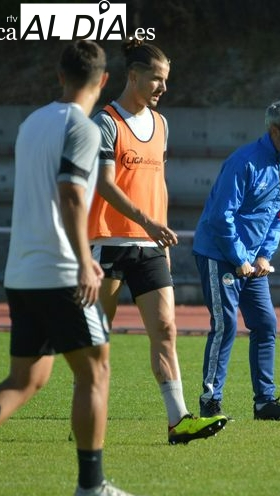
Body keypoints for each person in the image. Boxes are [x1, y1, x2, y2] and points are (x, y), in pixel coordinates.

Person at [0, 41, 151, 496]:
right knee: (97, 370)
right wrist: (84, 260)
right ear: (104, 79)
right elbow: (71, 195)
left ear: (59, 76)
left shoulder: (31, 123)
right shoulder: (85, 128)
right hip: (60, 272)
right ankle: (91, 484)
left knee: (26, 380)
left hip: (22, 272)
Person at [88, 39, 227, 444]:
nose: (164, 87)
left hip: (150, 245)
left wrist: (158, 232)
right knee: (98, 338)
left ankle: (178, 420)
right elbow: (105, 185)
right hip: (108, 242)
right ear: (134, 76)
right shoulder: (106, 123)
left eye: (166, 79)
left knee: (166, 328)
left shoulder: (162, 124)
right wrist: (148, 222)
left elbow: (157, 184)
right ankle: (89, 416)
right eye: (157, 79)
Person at [193, 99, 280, 421]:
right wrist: (241, 257)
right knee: (226, 325)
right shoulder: (244, 162)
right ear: (274, 130)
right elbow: (220, 216)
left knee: (265, 323)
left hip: (251, 261)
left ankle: (264, 403)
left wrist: (263, 255)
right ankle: (210, 401)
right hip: (219, 254)